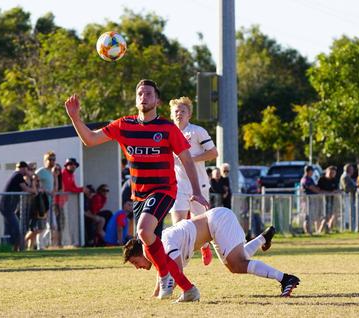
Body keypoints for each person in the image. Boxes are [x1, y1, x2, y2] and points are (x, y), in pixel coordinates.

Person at [65, 79, 208, 301]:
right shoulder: (124, 125)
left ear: (157, 100)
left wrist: (196, 191)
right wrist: (75, 117)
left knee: (143, 231)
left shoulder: (167, 128)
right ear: (136, 99)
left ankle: (165, 277)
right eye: (140, 93)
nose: (144, 97)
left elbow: (187, 160)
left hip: (163, 190)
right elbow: (90, 140)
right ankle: (188, 288)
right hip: (139, 195)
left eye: (149, 94)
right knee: (149, 246)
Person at [123, 207, 300, 302]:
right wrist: (157, 295)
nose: (137, 267)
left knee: (237, 264)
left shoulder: (164, 241)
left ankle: (285, 278)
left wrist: (171, 292)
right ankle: (263, 238)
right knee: (237, 263)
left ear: (142, 251)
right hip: (215, 226)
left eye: (134, 262)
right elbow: (162, 274)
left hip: (217, 222)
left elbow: (174, 269)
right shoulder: (159, 249)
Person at [168, 96, 218, 265]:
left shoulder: (197, 131)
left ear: (189, 114)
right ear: (171, 114)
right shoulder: (167, 132)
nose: (179, 114)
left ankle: (204, 245)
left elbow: (213, 153)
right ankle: (179, 259)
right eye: (176, 111)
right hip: (177, 185)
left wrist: (189, 158)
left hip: (198, 183)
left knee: (201, 221)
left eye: (183, 111)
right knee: (178, 224)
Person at [0, 161, 36, 251]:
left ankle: (9, 248)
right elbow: (28, 190)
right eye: (26, 169)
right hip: (7, 207)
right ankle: (15, 248)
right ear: (23, 169)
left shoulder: (17, 176)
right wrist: (32, 177)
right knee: (15, 228)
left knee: (9, 229)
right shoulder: (18, 176)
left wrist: (32, 180)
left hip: (8, 207)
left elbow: (32, 190)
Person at [36, 151, 57, 248]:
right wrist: (43, 190)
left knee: (53, 226)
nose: (52, 161)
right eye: (50, 159)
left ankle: (43, 243)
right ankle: (40, 245)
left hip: (50, 203)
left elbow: (54, 188)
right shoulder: (41, 171)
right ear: (45, 160)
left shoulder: (52, 173)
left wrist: (56, 176)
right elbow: (34, 180)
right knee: (42, 226)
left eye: (53, 159)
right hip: (42, 203)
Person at [316, 165, 339, 234]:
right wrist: (329, 193)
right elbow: (318, 190)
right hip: (322, 200)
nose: (332, 174)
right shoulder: (321, 180)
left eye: (333, 173)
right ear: (327, 172)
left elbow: (336, 189)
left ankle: (328, 229)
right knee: (324, 216)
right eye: (330, 173)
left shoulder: (334, 180)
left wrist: (337, 191)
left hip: (332, 200)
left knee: (333, 215)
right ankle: (319, 231)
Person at [300, 165, 321, 235]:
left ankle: (310, 230)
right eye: (312, 171)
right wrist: (319, 192)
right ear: (308, 171)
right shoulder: (305, 179)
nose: (312, 173)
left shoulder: (310, 178)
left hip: (311, 199)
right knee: (307, 216)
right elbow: (312, 188)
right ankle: (307, 231)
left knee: (310, 215)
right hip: (307, 200)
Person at [339, 163, 357, 230]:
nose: (353, 170)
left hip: (351, 198)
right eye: (351, 169)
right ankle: (348, 227)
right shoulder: (345, 177)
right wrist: (356, 187)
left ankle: (352, 227)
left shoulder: (348, 177)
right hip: (347, 198)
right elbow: (347, 188)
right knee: (347, 214)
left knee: (352, 213)